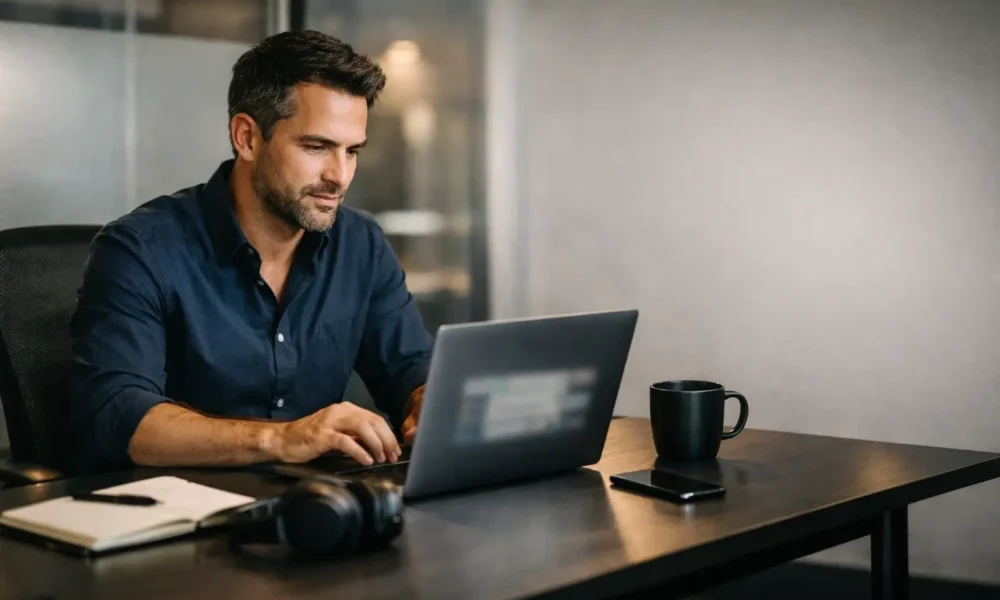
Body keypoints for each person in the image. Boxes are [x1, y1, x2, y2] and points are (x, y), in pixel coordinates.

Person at [68, 30, 432, 473]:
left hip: (317, 513)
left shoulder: (361, 244)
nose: (339, 176)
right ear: (247, 138)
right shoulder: (140, 249)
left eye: (352, 151)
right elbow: (115, 415)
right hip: (184, 520)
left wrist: (426, 399)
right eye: (316, 147)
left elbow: (410, 368)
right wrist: (281, 439)